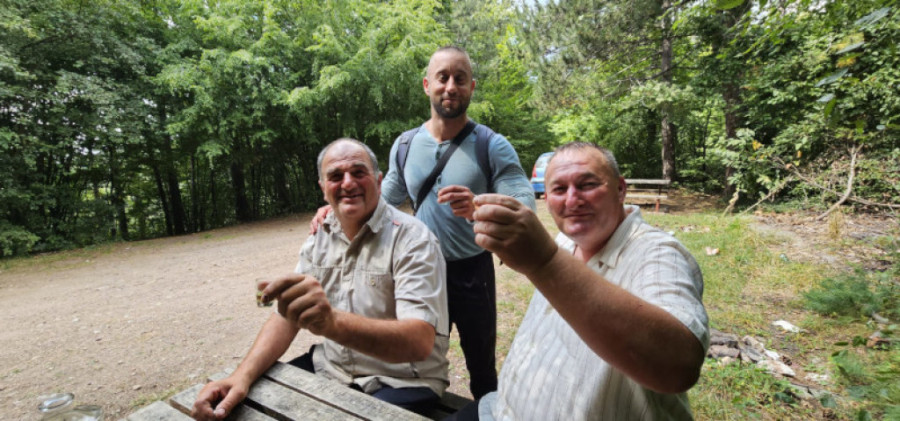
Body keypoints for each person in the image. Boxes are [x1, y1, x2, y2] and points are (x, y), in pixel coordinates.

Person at [312, 46, 536, 399]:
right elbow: (381, 200)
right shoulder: (404, 145)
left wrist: (479, 206)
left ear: (472, 87)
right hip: (414, 271)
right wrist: (336, 210)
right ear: (426, 85)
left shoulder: (492, 145)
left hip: (471, 272)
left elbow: (525, 203)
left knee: (481, 365)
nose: (450, 86)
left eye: (459, 79)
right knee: (415, 361)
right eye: (443, 78)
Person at [192, 139, 450, 420]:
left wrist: (331, 323)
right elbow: (286, 316)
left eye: (358, 172)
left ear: (378, 180)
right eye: (336, 176)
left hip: (402, 380)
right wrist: (240, 377)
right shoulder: (320, 236)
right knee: (247, 410)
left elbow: (419, 343)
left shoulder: (413, 239)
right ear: (323, 188)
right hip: (331, 368)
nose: (348, 183)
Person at [457, 142, 710, 420]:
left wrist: (545, 263)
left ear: (620, 188)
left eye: (587, 184)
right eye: (559, 189)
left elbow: (678, 367)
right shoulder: (565, 241)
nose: (572, 200)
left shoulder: (659, 254)